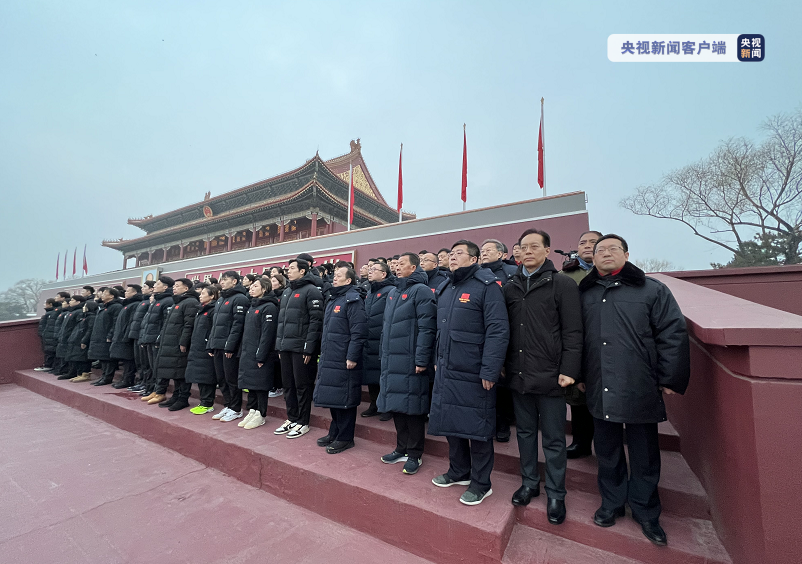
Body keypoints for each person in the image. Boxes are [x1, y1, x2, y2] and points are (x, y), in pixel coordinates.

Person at [579, 234, 690, 546]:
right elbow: (575, 337)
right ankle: (612, 502)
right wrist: (578, 374)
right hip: (598, 380)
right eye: (600, 250)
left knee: (644, 451)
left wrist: (670, 377)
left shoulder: (652, 289)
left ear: (626, 255)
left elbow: (672, 333)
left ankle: (645, 510)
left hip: (639, 381)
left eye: (613, 249)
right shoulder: (584, 292)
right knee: (607, 449)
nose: (606, 253)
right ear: (593, 258)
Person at [502, 228, 583, 525]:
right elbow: (504, 330)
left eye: (535, 246)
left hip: (551, 375)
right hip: (519, 373)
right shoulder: (510, 286)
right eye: (524, 247)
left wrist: (569, 370)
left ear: (547, 250)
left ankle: (556, 493)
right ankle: (529, 482)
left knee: (553, 438)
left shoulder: (562, 284)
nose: (528, 251)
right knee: (524, 433)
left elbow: (573, 331)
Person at [429, 240, 510, 506]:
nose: (452, 257)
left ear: (474, 259)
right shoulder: (446, 287)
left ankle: (481, 483)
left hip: (474, 371)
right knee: (452, 422)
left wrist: (490, 369)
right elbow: (440, 331)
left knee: (478, 427)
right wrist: (437, 359)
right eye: (450, 253)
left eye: (459, 253)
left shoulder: (487, 286)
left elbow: (498, 330)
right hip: (447, 368)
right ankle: (458, 471)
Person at [378, 253, 436, 474]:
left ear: (413, 267)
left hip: (411, 359)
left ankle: (414, 454)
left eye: (402, 264)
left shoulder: (421, 291)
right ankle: (401, 448)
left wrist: (421, 359)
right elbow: (385, 327)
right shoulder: (394, 292)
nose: (397, 267)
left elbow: (427, 328)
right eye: (396, 264)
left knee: (413, 409)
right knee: (397, 406)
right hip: (392, 359)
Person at [313, 266, 367, 454]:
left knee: (345, 398)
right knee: (333, 397)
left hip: (344, 358)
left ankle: (345, 438)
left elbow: (359, 332)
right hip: (331, 356)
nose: (334, 278)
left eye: (339, 276)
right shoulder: (334, 298)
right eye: (334, 275)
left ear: (349, 280)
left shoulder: (353, 300)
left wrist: (352, 356)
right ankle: (334, 432)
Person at [560, 230, 603, 459]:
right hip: (577, 342)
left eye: (593, 242)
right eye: (583, 242)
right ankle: (581, 442)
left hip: (604, 343)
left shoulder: (611, 273)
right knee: (577, 397)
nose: (587, 245)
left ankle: (605, 447)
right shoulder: (566, 276)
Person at [274, 258, 324, 439]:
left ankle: (303, 422)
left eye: (292, 268)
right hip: (285, 346)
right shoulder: (287, 291)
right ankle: (292, 418)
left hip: (301, 348)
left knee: (302, 386)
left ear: (302, 271)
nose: (288, 271)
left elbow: (316, 321)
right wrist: (279, 346)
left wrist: (309, 347)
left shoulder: (311, 291)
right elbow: (281, 322)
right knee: (288, 385)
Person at [481, 238, 518, 443]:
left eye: (489, 250)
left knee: (502, 384)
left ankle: (503, 425)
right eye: (482, 250)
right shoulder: (477, 274)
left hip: (505, 332)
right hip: (482, 335)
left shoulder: (511, 273)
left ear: (501, 254)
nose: (484, 253)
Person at [149, 278, 200, 410]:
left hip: (179, 344)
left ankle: (183, 398)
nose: (174, 288)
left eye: (177, 286)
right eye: (174, 286)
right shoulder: (179, 302)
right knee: (175, 372)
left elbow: (189, 325)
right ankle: (175, 396)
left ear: (186, 288)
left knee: (181, 372)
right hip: (171, 343)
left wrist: (183, 342)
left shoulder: (191, 302)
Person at [237, 276, 280, 429]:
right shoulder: (252, 306)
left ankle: (261, 414)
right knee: (251, 384)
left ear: (265, 288)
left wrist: (261, 355)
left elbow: (267, 335)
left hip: (261, 354)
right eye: (252, 286)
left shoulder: (269, 307)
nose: (252, 288)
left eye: (256, 286)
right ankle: (252, 410)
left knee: (260, 385)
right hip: (248, 352)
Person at [208, 271, 250, 421]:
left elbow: (238, 325)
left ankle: (236, 408)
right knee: (221, 378)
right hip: (217, 344)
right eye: (222, 280)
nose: (222, 282)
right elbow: (215, 325)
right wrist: (211, 344)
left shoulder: (240, 299)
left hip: (229, 347)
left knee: (231, 379)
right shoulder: (220, 299)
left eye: (225, 280)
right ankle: (228, 404)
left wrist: (230, 346)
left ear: (234, 281)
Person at [361, 261, 393, 417]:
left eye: (374, 269)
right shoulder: (370, 291)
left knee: (383, 375)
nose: (370, 271)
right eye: (370, 269)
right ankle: (374, 404)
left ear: (384, 274)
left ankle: (386, 407)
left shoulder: (390, 290)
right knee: (371, 375)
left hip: (382, 338)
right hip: (369, 339)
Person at [186, 284, 220, 414]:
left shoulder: (213, 310)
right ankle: (203, 402)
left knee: (207, 376)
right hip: (197, 347)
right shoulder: (201, 309)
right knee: (200, 376)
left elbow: (213, 330)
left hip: (206, 348)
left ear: (212, 296)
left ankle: (207, 403)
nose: (200, 296)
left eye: (203, 293)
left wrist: (209, 344)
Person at [139, 277, 175, 399]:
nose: (154, 286)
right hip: (149, 338)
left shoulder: (168, 301)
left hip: (157, 339)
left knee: (159, 366)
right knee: (152, 366)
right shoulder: (156, 300)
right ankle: (154, 390)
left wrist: (160, 338)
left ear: (165, 287)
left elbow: (166, 322)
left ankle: (160, 391)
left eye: (158, 284)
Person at [109, 284, 144, 389]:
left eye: (128, 291)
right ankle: (124, 378)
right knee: (124, 359)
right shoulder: (127, 304)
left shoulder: (135, 304)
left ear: (135, 292)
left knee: (129, 360)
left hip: (127, 336)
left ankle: (128, 379)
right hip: (121, 335)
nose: (125, 293)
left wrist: (127, 335)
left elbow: (131, 322)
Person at [87, 288, 123, 386]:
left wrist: (110, 335)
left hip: (108, 336)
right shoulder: (103, 307)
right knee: (102, 357)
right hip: (100, 335)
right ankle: (103, 376)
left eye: (105, 293)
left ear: (112, 296)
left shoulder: (116, 307)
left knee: (108, 358)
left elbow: (115, 323)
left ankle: (108, 377)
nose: (102, 295)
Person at [127, 280, 154, 392]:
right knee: (140, 361)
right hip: (137, 334)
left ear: (151, 289)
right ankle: (142, 381)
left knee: (146, 363)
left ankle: (147, 384)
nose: (143, 289)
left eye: (145, 287)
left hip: (144, 335)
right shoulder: (143, 302)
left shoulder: (150, 302)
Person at [67, 300, 98, 382]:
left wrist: (84, 340)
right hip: (77, 340)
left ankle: (85, 374)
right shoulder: (84, 317)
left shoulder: (92, 317)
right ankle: (79, 374)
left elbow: (90, 330)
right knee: (78, 358)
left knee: (84, 359)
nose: (83, 308)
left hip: (84, 341)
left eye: (85, 306)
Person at [55, 296, 86, 380]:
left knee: (74, 355)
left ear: (78, 302)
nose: (70, 302)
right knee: (68, 355)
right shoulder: (70, 312)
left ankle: (73, 372)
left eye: (72, 300)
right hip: (66, 337)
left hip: (73, 337)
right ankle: (68, 371)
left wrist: (72, 336)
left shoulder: (79, 312)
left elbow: (78, 327)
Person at [268, 273, 287, 398]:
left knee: (278, 361)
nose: (271, 282)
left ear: (280, 283)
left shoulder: (284, 295)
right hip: (271, 330)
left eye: (274, 281)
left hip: (279, 331)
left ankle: (278, 386)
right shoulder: (270, 296)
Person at [35, 298, 57, 371]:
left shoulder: (52, 313)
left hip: (49, 335)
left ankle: (48, 365)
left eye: (46, 303)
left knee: (49, 351)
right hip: (46, 335)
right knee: (47, 350)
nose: (44, 305)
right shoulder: (49, 313)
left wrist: (44, 333)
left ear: (50, 304)